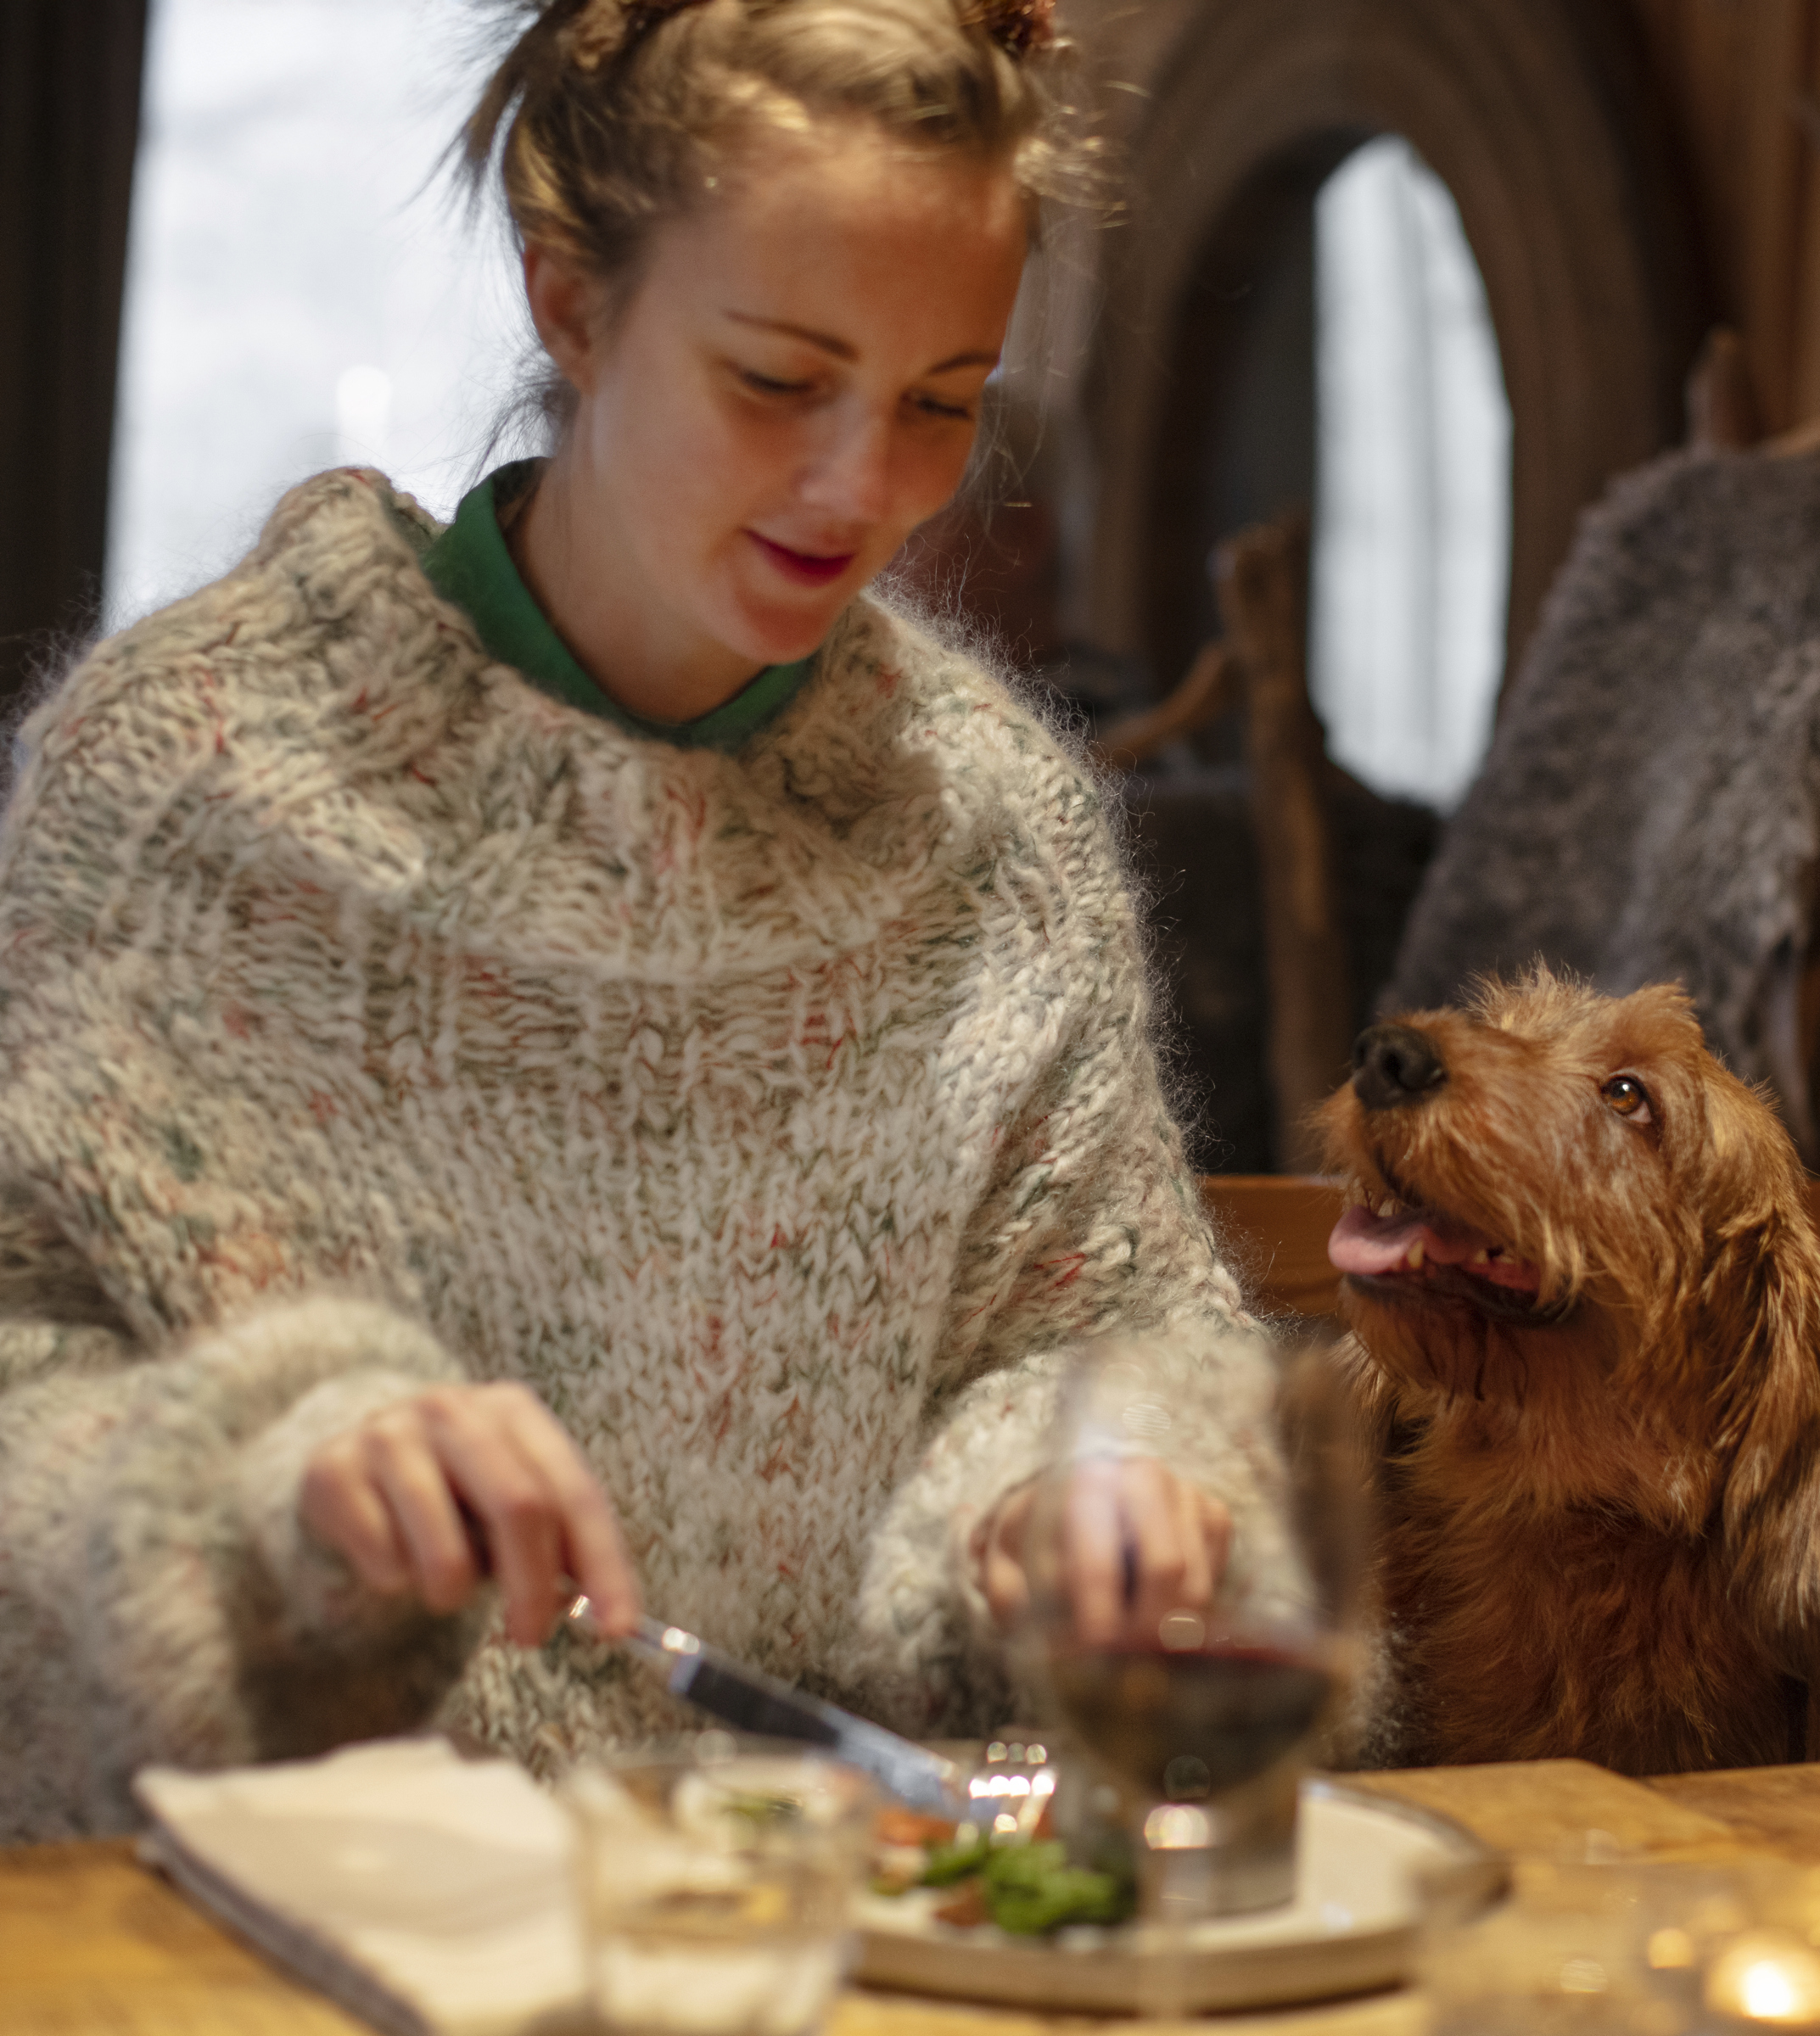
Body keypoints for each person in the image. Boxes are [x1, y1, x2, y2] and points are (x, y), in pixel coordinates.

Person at [0, 0, 1260, 1843]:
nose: (862, 487)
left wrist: (1085, 1496)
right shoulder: (181, 782)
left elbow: (1117, 1350)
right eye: (778, 380)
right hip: (270, 1909)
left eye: (942, 401)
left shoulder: (989, 836)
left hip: (823, 1915)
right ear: (571, 302)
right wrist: (265, 1490)